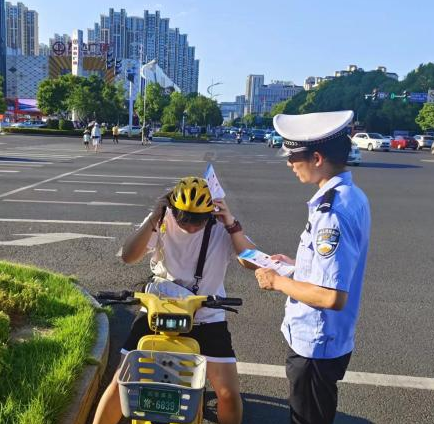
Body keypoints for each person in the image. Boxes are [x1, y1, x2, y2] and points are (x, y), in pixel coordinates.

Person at [92, 177, 257, 424]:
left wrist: (232, 224)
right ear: (172, 209)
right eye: (184, 218)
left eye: (198, 220)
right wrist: (153, 218)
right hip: (159, 310)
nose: (190, 226)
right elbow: (128, 256)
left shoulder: (222, 227)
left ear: (211, 213)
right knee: (120, 384)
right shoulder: (162, 222)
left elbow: (251, 262)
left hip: (206, 316)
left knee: (228, 393)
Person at [254, 110, 371, 424]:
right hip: (327, 339)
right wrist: (295, 266)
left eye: (293, 157)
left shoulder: (331, 211)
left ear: (317, 158)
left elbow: (332, 296)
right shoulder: (350, 196)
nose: (289, 164)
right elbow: (332, 266)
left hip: (315, 344)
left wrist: (277, 282)